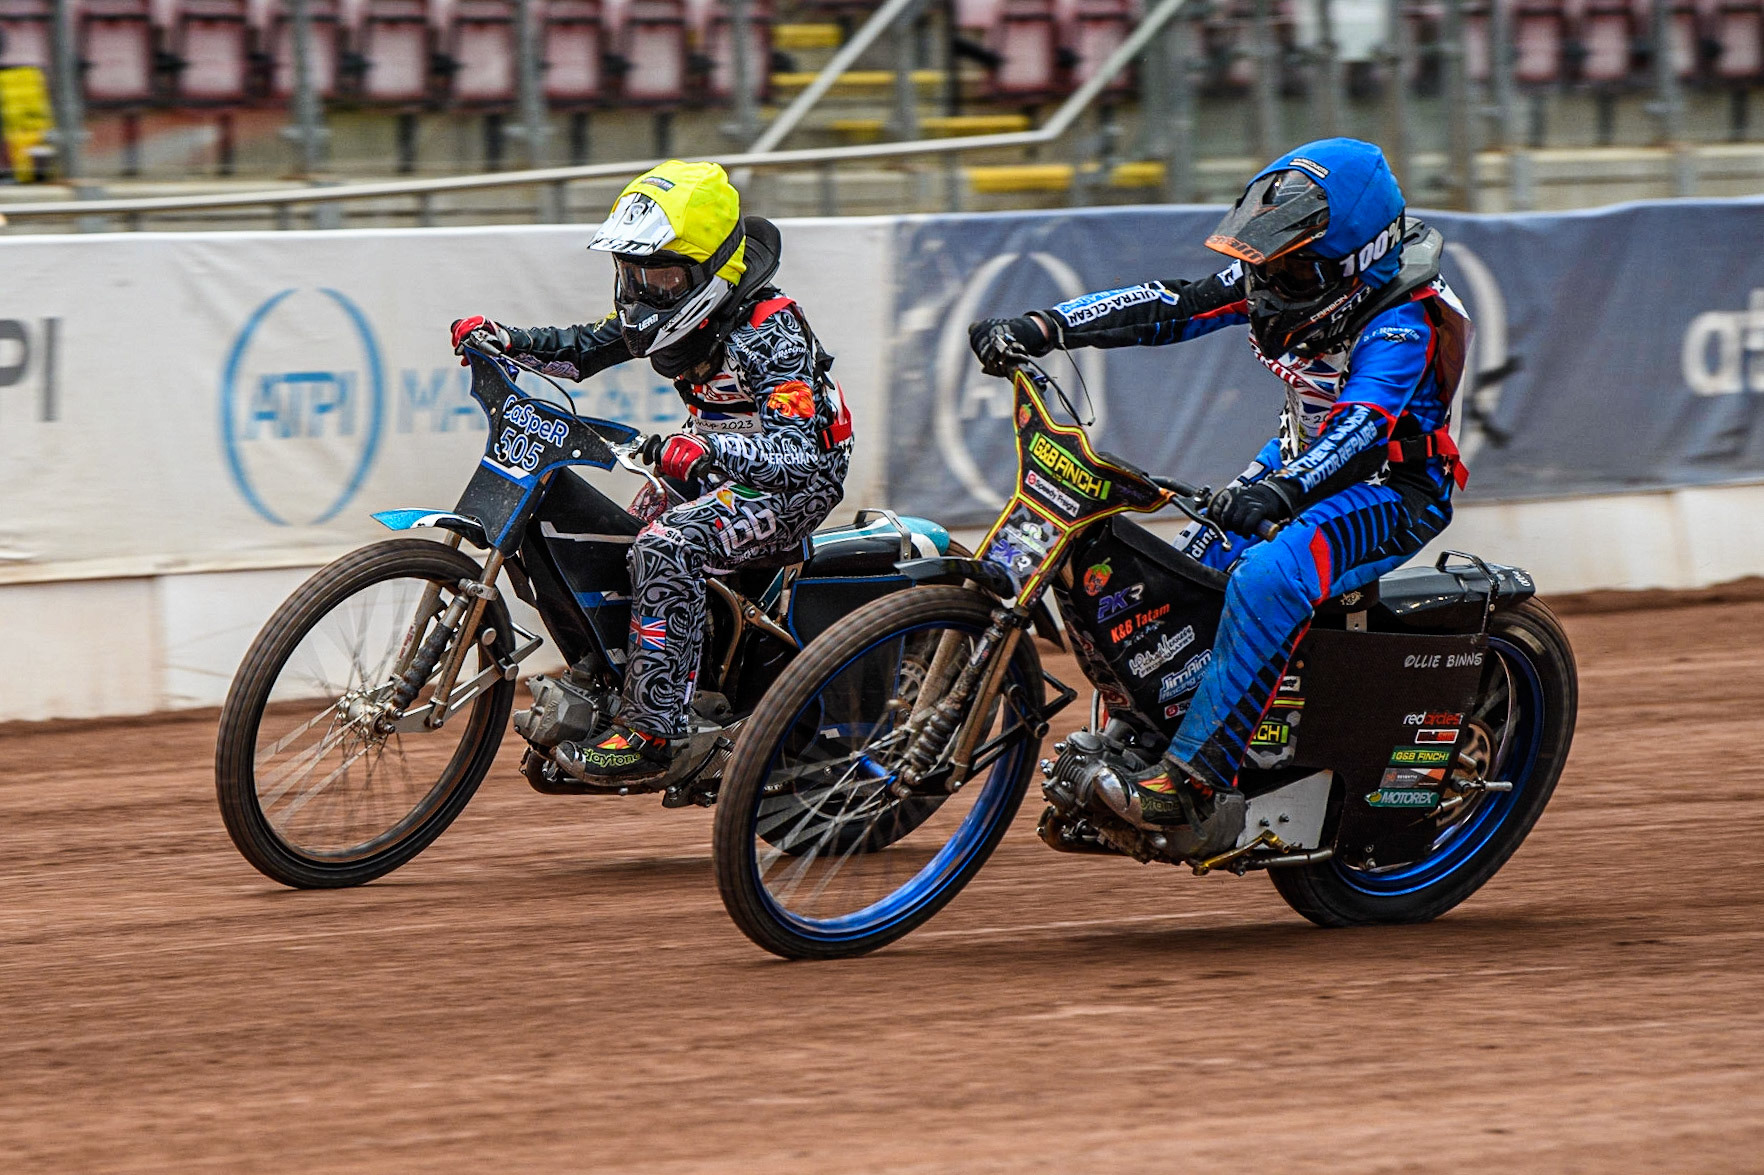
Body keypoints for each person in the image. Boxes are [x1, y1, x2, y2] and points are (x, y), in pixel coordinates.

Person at [969, 137, 1471, 858]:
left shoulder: (1400, 322)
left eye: (1293, 265)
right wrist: (1047, 326)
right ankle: (1141, 742)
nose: (1268, 280)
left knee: (1269, 577)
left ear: (1354, 263)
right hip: (1298, 464)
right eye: (1268, 258)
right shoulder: (1284, 279)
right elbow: (1170, 302)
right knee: (1186, 577)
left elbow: (1361, 430)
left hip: (1393, 486)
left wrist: (1278, 491)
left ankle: (1195, 786)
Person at [452, 159, 853, 782]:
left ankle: (656, 732)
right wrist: (505, 338)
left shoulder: (770, 331)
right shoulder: (660, 311)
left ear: (711, 272)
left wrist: (705, 454)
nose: (642, 292)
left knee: (665, 547)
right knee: (621, 539)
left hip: (792, 481)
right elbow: (583, 347)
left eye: (660, 275)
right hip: (708, 465)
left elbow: (800, 451)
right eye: (631, 273)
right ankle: (613, 684)